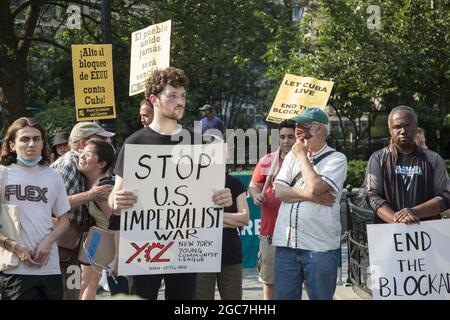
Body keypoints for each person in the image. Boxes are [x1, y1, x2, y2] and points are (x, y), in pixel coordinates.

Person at [108, 67, 233, 300]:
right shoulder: (135, 144)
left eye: (183, 96)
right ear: (154, 100)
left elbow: (214, 196)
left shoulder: (198, 144)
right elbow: (114, 199)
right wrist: (116, 200)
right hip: (142, 249)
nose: (180, 101)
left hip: (186, 248)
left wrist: (223, 197)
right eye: (172, 95)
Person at [272, 108, 347, 300]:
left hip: (319, 247)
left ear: (319, 128)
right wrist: (312, 197)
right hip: (286, 245)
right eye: (297, 124)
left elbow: (315, 186)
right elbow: (279, 191)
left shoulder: (336, 159)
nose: (297, 128)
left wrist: (303, 157)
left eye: (303, 125)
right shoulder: (290, 157)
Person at [0, 117, 70, 300]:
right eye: (24, 139)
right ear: (12, 145)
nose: (31, 144)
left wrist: (48, 242)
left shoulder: (53, 176)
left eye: (36, 138)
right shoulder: (3, 174)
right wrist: (14, 246)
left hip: (49, 267)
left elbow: (64, 221)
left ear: (43, 143)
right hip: (15, 268)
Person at [50, 121, 115, 300]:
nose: (106, 142)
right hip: (65, 240)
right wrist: (91, 194)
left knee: (83, 284)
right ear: (82, 144)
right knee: (75, 287)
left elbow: (116, 221)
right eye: (100, 139)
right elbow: (55, 205)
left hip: (86, 238)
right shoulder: (70, 163)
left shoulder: (98, 178)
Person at [365, 105, 450, 225]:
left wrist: (414, 212)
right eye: (397, 127)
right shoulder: (378, 158)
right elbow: (372, 196)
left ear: (415, 127)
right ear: (390, 130)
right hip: (389, 234)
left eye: (407, 125)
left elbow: (445, 196)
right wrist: (397, 219)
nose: (403, 131)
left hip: (427, 234)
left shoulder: (433, 159)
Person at [248, 119, 296, 300]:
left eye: (290, 137)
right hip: (270, 232)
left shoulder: (305, 161)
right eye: (282, 137)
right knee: (269, 281)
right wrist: (255, 195)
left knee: (297, 281)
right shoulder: (267, 160)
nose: (286, 141)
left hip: (297, 232)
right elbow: (253, 184)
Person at [195, 173, 249, 300]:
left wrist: (209, 218)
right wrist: (230, 220)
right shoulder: (194, 182)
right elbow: (191, 220)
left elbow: (244, 218)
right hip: (200, 255)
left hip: (230, 254)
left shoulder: (235, 183)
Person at [77, 140, 116, 300]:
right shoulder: (91, 183)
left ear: (101, 163)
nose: (82, 156)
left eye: (88, 154)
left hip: (111, 239)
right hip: (99, 237)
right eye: (82, 151)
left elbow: (116, 221)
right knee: (87, 281)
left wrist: (117, 258)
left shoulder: (104, 189)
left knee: (90, 281)